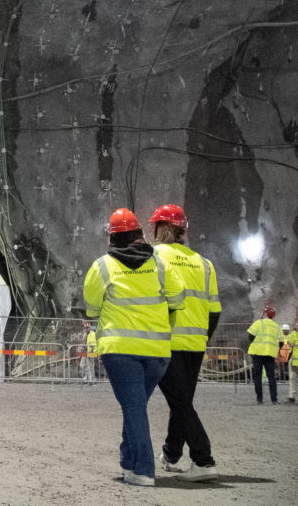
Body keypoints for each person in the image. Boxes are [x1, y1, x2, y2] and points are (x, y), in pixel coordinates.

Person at [83, 207, 185, 487]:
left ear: (112, 238)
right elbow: (178, 299)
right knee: (135, 407)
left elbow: (91, 307)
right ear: (140, 233)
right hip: (158, 355)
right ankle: (128, 461)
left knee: (134, 409)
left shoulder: (103, 266)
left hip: (121, 352)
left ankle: (142, 470)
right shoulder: (161, 265)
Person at [149, 204, 220, 482]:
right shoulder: (204, 263)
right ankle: (171, 453)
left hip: (167, 342)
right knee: (182, 401)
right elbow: (215, 311)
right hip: (195, 343)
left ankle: (203, 460)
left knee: (180, 402)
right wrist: (202, 337)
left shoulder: (154, 257)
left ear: (161, 228)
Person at [247, 305, 284, 405]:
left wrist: (257, 343)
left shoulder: (259, 323)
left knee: (258, 377)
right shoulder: (277, 327)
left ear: (265, 313)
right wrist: (275, 350)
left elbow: (250, 336)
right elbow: (281, 343)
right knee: (271, 377)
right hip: (270, 355)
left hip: (257, 353)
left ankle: (259, 399)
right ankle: (274, 400)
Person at [283, 324, 297, 402]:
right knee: (293, 378)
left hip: (294, 361)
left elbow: (290, 345)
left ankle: (292, 396)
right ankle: (292, 396)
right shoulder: (293, 334)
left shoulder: (293, 334)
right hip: (294, 361)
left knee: (293, 379)